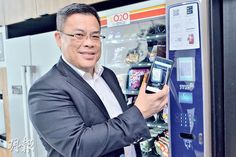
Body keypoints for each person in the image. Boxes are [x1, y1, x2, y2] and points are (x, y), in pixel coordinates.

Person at [28, 3, 169, 157]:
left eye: (95, 35)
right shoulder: (45, 89)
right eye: (79, 35)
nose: (89, 43)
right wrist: (140, 111)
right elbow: (78, 146)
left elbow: (117, 120)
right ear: (59, 38)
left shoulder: (107, 75)